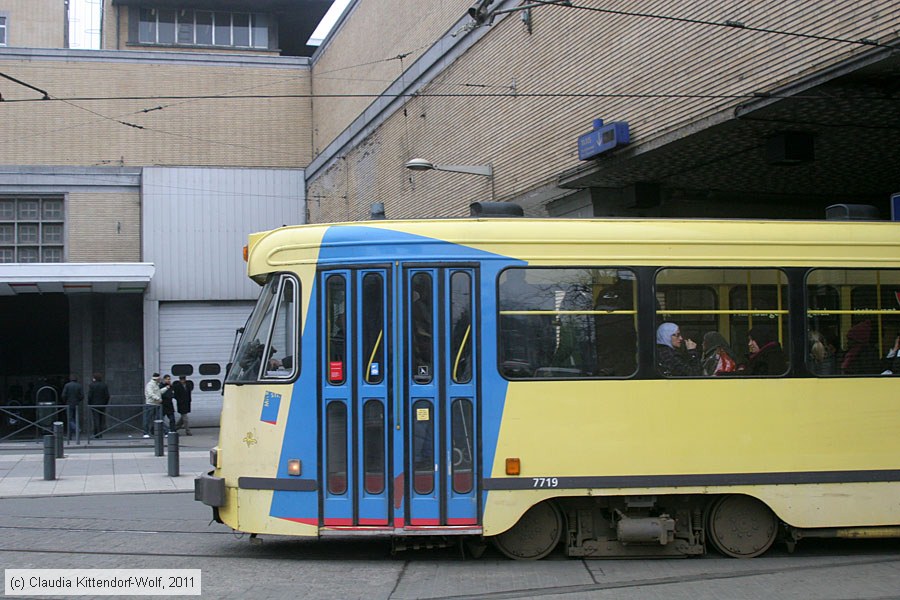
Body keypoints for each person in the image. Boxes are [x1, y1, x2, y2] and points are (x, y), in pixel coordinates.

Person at [143, 373, 170, 438]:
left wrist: (166, 388)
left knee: (159, 418)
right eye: (159, 378)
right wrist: (158, 398)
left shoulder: (156, 385)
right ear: (157, 379)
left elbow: (158, 392)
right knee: (148, 419)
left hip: (157, 404)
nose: (160, 380)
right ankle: (145, 433)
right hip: (150, 404)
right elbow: (150, 394)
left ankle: (166, 431)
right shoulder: (150, 385)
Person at [87, 372, 110, 438]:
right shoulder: (104, 385)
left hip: (94, 404)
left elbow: (90, 396)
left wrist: (89, 403)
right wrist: (105, 403)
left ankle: (97, 433)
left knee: (96, 419)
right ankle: (99, 433)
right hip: (102, 404)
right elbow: (107, 396)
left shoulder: (92, 385)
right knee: (101, 419)